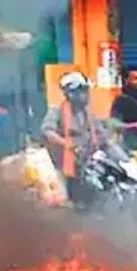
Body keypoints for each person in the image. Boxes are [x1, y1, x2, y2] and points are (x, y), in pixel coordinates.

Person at [42, 71, 109, 201]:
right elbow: (48, 131)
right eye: (83, 91)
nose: (87, 95)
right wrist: (67, 144)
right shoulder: (57, 111)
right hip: (67, 167)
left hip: (90, 164)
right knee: (69, 202)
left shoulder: (88, 113)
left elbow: (102, 134)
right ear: (71, 93)